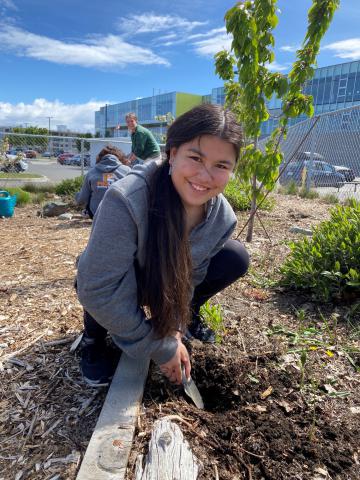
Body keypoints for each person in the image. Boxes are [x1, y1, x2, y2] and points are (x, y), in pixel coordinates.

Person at [76, 104, 249, 387]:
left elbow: (189, 277)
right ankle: (93, 338)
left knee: (235, 256)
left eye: (221, 165)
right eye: (195, 158)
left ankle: (183, 322)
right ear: (172, 154)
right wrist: (158, 347)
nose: (205, 177)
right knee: (99, 279)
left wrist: (173, 330)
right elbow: (98, 287)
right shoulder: (128, 198)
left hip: (162, 281)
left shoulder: (222, 219)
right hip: (119, 280)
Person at [75, 146, 131, 218]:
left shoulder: (91, 172)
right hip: (121, 214)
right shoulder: (127, 171)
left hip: (96, 214)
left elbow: (81, 199)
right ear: (121, 158)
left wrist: (76, 196)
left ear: (100, 158)